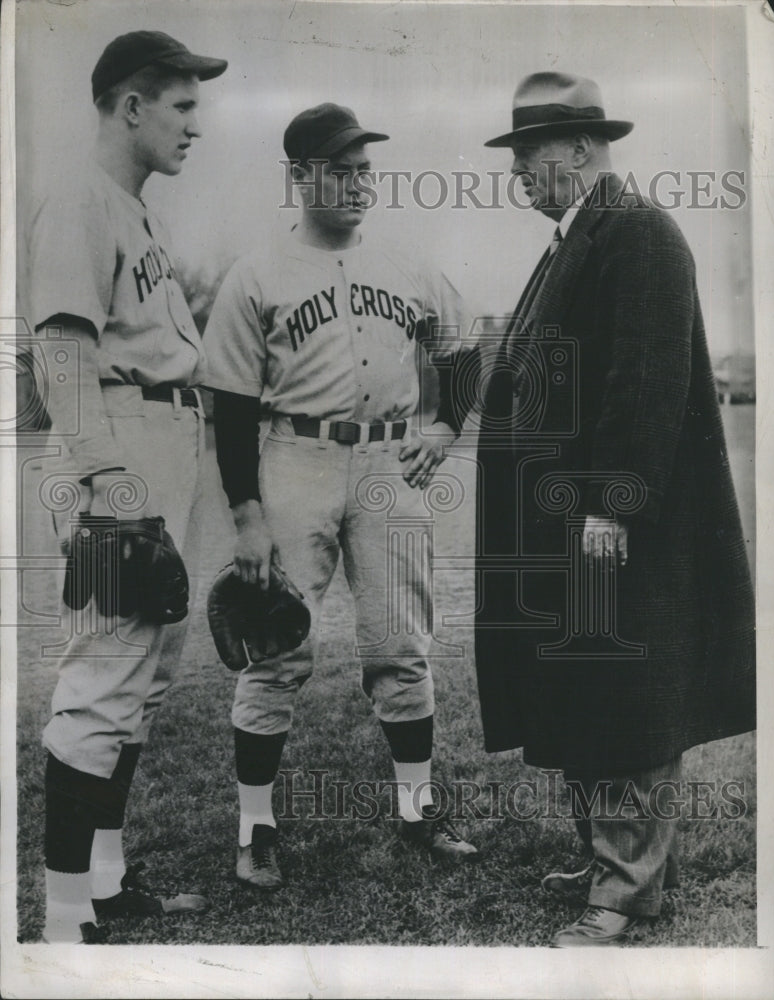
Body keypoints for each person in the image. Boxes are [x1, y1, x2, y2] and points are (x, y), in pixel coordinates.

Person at [476, 73, 755, 946]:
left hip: (612, 530)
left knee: (628, 698)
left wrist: (612, 507)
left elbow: (646, 382)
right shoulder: (574, 239)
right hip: (569, 525)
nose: (517, 169)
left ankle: (625, 890)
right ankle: (609, 856)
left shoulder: (636, 233)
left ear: (583, 148)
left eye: (529, 153)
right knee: (585, 688)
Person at [202, 103, 478, 890]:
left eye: (364, 170)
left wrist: (444, 427)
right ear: (299, 177)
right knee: (274, 649)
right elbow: (227, 403)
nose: (358, 185)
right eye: (339, 170)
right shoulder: (256, 274)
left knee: (399, 645)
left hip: (391, 463)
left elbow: (463, 348)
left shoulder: (407, 264)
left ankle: (418, 809)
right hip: (294, 458)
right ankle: (255, 830)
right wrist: (246, 514)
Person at [26, 31, 227, 943]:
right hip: (122, 448)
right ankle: (65, 919)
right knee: (102, 676)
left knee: (143, 677)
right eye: (182, 105)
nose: (196, 124)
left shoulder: (135, 209)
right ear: (130, 105)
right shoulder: (80, 200)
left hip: (166, 439)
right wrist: (107, 479)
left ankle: (104, 882)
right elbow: (61, 351)